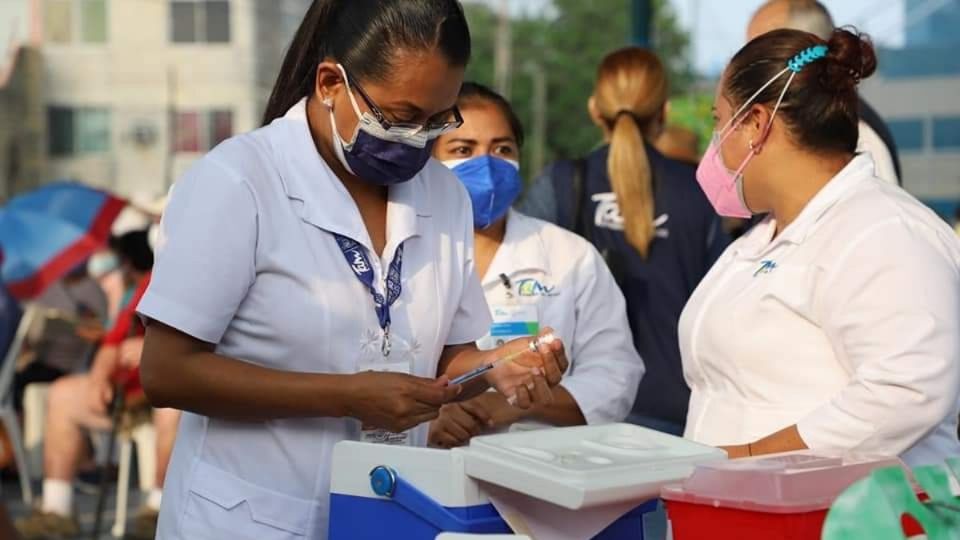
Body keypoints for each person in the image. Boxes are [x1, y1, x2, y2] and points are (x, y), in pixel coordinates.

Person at [135, 2, 568, 539]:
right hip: (250, 518)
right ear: (329, 83)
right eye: (401, 117)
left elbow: (445, 358)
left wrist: (494, 366)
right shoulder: (239, 182)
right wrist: (346, 396)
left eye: (438, 121)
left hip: (387, 514)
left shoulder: (445, 197)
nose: (418, 140)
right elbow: (165, 372)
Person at [682, 27, 960, 466]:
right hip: (738, 511)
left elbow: (908, 389)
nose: (713, 146)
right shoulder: (762, 237)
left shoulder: (884, 230)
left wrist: (747, 459)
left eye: (719, 122)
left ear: (755, 125)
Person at [520, 47, 728, 436]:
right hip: (676, 410)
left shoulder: (561, 184)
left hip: (581, 407)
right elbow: (721, 308)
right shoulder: (698, 191)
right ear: (663, 112)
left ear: (594, 109)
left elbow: (517, 288)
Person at [427, 83, 644, 447]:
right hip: (420, 467)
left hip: (535, 475)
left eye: (502, 149)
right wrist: (428, 417)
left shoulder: (569, 256)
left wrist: (513, 405)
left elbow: (615, 377)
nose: (488, 164)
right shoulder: (400, 250)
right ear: (430, 159)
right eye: (463, 149)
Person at [13, 230, 176, 540]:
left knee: (174, 406)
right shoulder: (150, 282)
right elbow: (113, 342)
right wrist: (99, 377)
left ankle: (157, 514)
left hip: (169, 391)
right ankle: (56, 512)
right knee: (63, 394)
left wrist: (154, 352)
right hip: (127, 394)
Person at [747, 0, 902, 186]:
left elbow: (878, 209)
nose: (746, 67)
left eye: (759, 55)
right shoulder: (803, 119)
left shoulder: (856, 135)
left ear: (803, 53)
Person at [14, 263, 107, 412]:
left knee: (16, 385)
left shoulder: (96, 293)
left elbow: (97, 333)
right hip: (40, 360)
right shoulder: (48, 287)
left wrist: (72, 328)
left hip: (66, 367)